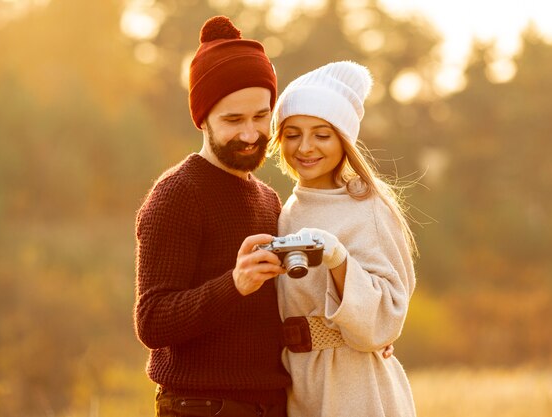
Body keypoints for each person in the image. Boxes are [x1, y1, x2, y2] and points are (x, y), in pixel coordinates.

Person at [134, 16, 291, 417]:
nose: (252, 133)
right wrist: (234, 284)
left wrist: (357, 338)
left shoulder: (269, 199)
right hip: (201, 407)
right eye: (233, 120)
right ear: (202, 119)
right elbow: (151, 322)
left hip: (272, 405)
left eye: (260, 116)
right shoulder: (176, 195)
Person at [267, 61, 418, 416]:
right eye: (292, 134)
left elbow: (386, 319)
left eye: (321, 135)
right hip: (298, 386)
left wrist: (338, 258)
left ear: (343, 140)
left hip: (357, 388)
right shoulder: (286, 211)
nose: (305, 147)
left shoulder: (369, 206)